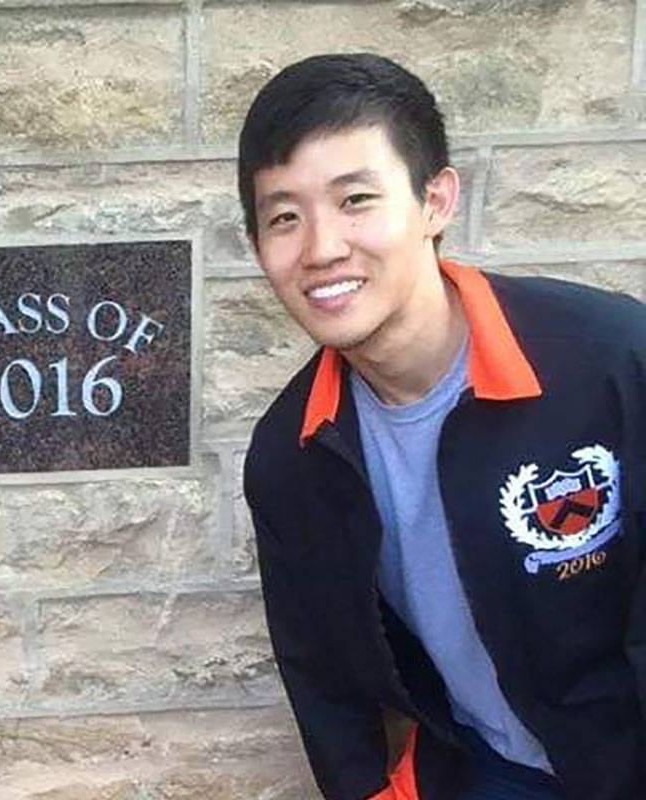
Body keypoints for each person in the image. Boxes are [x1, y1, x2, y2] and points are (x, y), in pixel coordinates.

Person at [238, 54, 645, 799]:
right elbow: (325, 681)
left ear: (436, 201)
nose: (322, 247)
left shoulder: (613, 360)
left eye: (356, 199)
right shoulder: (291, 454)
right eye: (284, 217)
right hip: (491, 773)